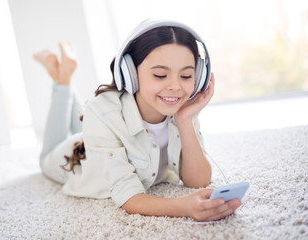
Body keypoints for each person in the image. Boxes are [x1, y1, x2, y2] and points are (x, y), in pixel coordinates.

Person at [34, 20, 242, 222]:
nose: (175, 86)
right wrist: (184, 206)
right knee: (45, 158)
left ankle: (62, 76)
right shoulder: (102, 112)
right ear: (130, 73)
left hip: (97, 134)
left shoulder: (181, 109)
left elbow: (198, 181)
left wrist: (185, 120)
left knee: (90, 118)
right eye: (160, 75)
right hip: (71, 157)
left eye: (187, 76)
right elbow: (128, 195)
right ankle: (63, 80)